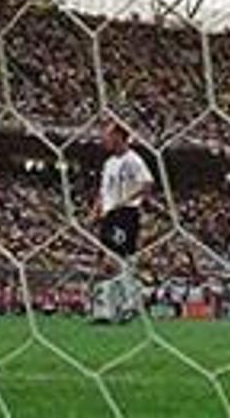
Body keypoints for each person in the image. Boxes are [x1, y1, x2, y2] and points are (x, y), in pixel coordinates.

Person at [92, 120, 154, 324]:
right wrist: (96, 210)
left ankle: (128, 305)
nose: (105, 139)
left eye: (108, 135)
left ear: (119, 136)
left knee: (119, 259)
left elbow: (147, 184)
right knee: (105, 262)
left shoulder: (133, 160)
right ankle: (106, 310)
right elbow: (103, 190)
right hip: (109, 214)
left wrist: (125, 199)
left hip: (126, 214)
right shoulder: (109, 163)